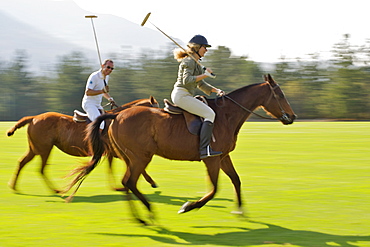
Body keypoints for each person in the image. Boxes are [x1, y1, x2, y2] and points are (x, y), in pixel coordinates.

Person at [171, 35, 224, 159]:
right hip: (181, 94)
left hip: (185, 94)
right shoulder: (188, 61)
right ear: (197, 48)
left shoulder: (196, 63)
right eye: (204, 47)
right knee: (210, 114)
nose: (206, 50)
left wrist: (216, 90)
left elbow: (200, 84)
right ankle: (204, 149)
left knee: (209, 113)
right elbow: (187, 80)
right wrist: (205, 74)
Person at [82, 59, 116, 130]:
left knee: (108, 122)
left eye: (112, 68)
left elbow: (104, 92)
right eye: (108, 67)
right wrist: (102, 91)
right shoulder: (94, 76)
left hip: (98, 105)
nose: (110, 70)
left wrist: (110, 99)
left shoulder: (106, 77)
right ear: (102, 66)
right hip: (89, 104)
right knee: (101, 124)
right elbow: (88, 92)